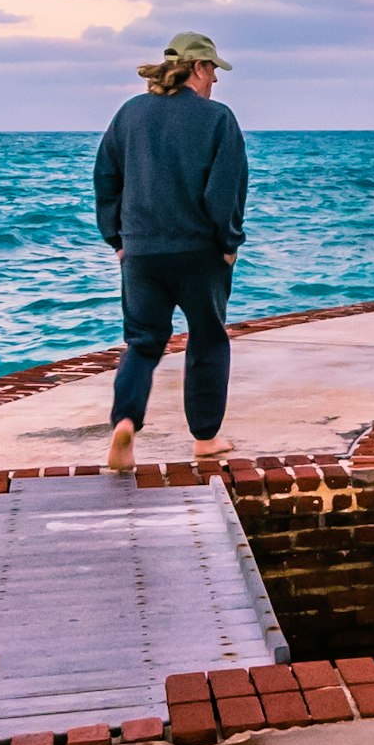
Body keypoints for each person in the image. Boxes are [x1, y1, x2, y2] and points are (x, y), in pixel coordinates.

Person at [92, 31, 248, 471]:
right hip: (200, 252)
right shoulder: (218, 118)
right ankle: (205, 439)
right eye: (214, 69)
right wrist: (229, 243)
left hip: (141, 253)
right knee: (208, 338)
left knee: (142, 343)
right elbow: (226, 190)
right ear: (198, 68)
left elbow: (106, 178)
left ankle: (125, 422)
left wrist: (118, 240)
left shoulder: (129, 114)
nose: (216, 80)